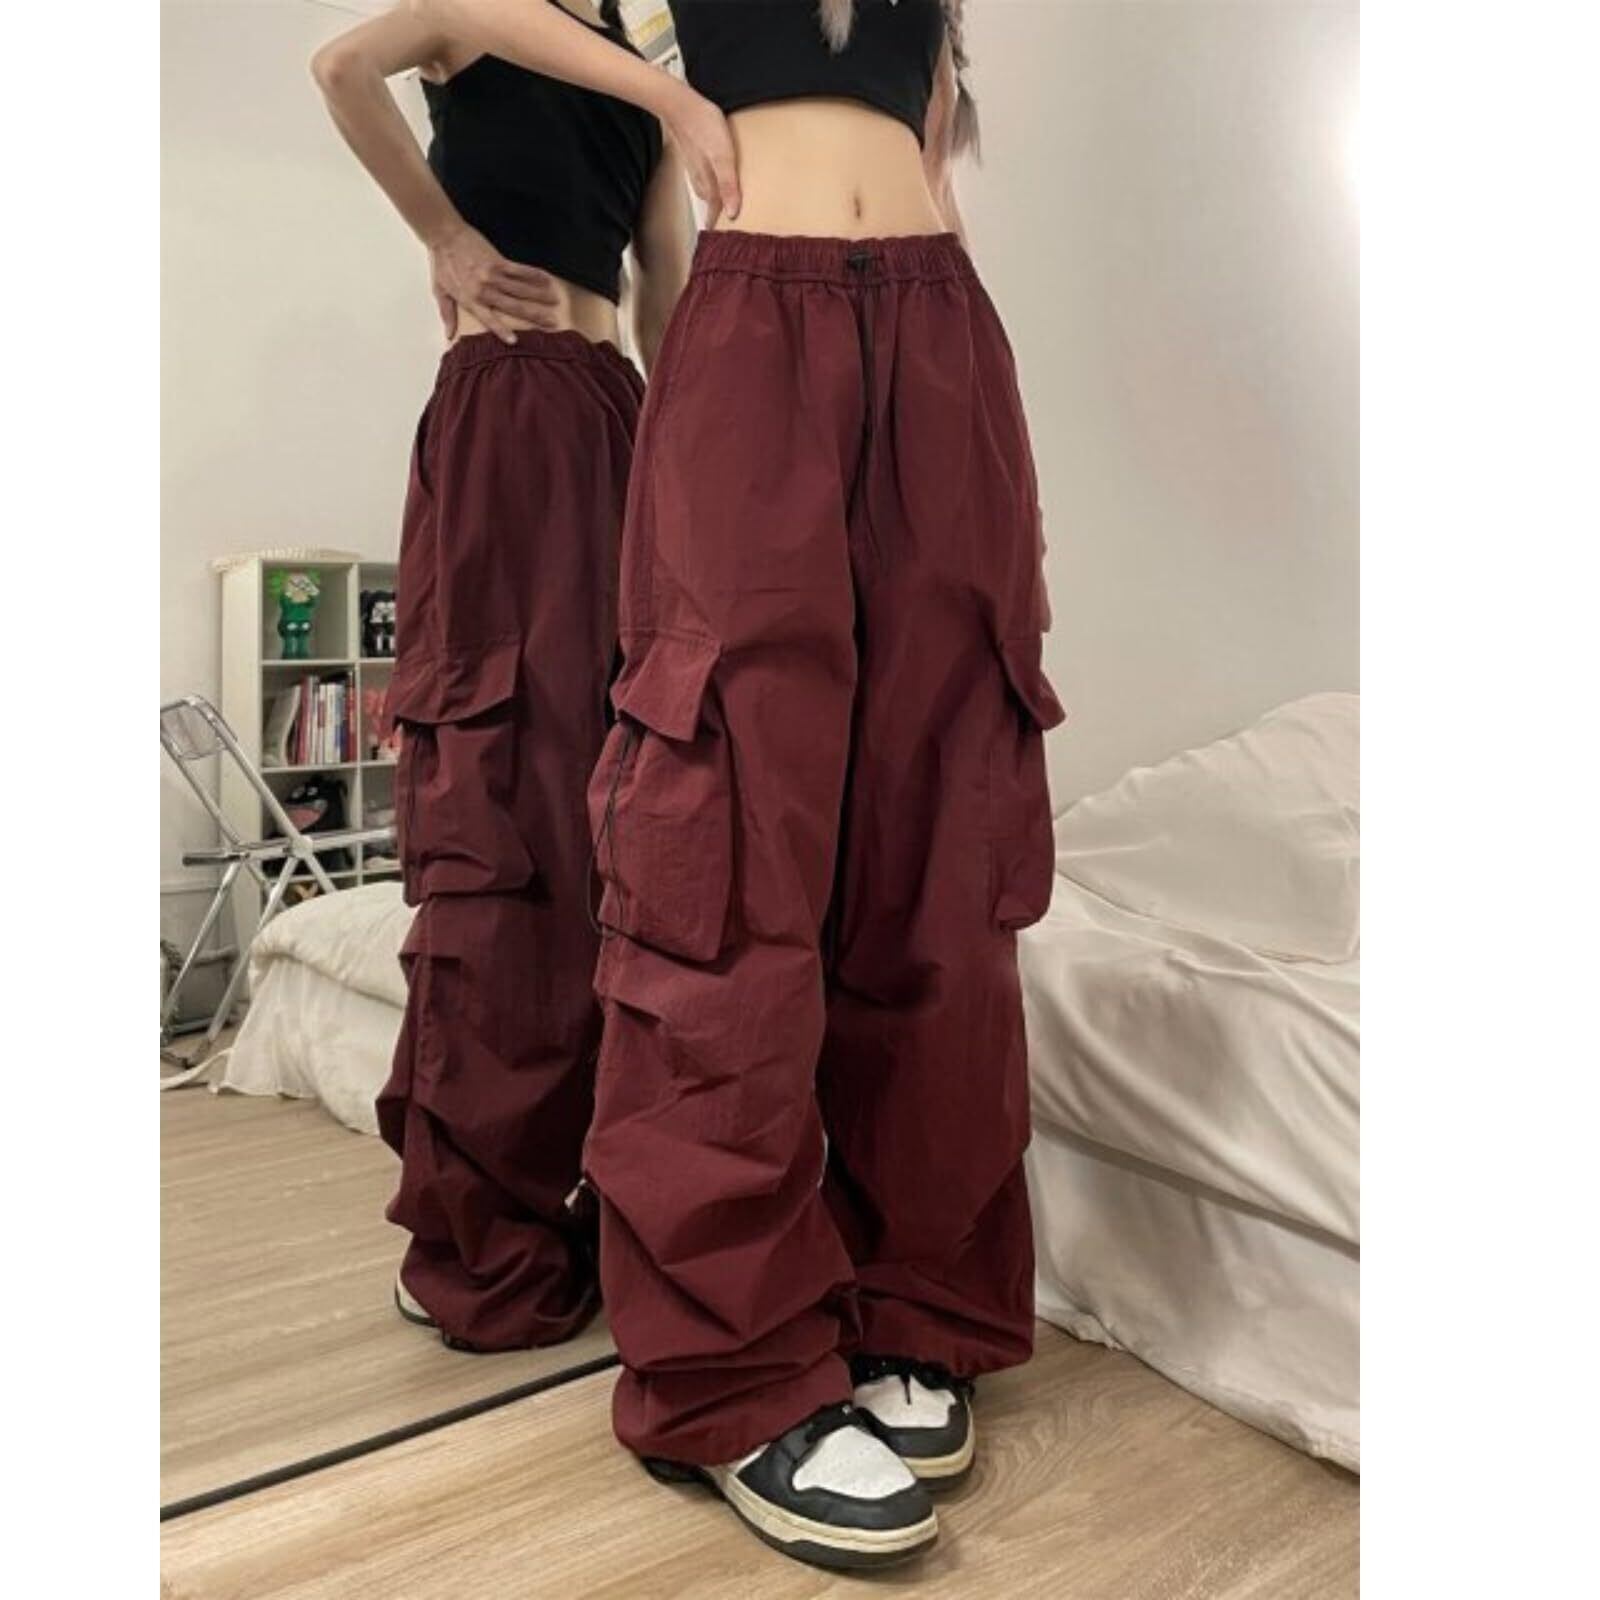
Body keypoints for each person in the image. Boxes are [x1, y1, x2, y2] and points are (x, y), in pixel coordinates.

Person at [416, 0, 1063, 1569]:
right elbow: (471, 14)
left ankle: (915, 1301)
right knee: (719, 834)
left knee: (942, 829)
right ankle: (730, 1367)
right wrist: (664, 101)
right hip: (749, 317)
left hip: (939, 325)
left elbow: (935, 153)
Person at [310, 0, 693, 1353]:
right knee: (504, 803)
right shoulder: (479, 10)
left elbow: (664, 292)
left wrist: (695, 463)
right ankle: (472, 1219)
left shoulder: (647, 80)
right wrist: (444, 236)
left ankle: (575, 1182)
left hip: (616, 419)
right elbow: (341, 67)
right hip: (506, 404)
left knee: (612, 816)